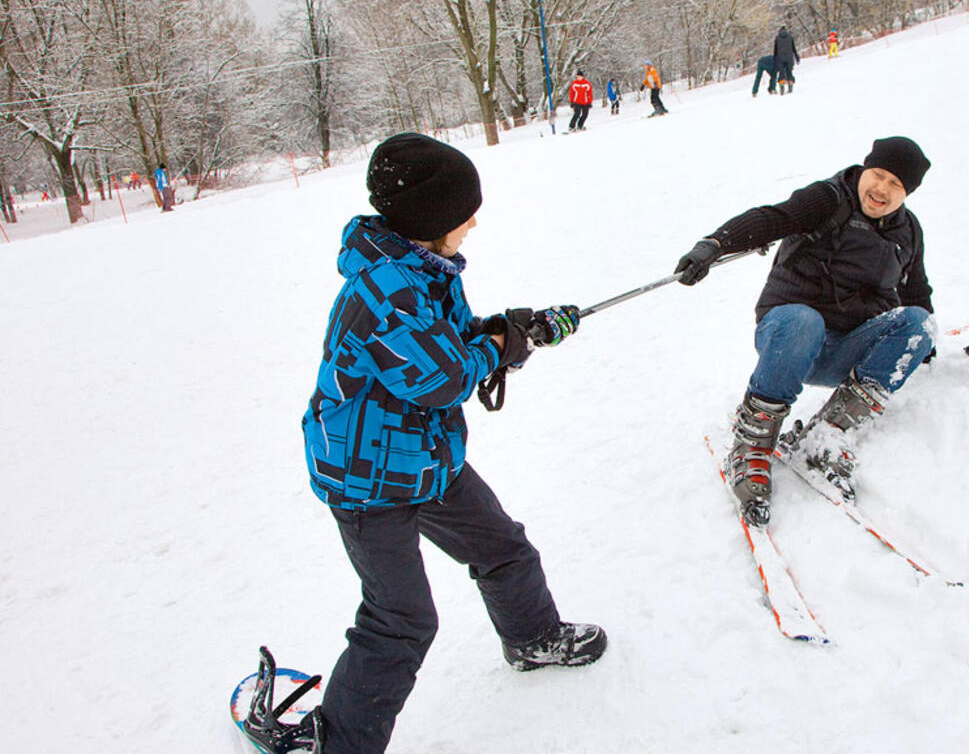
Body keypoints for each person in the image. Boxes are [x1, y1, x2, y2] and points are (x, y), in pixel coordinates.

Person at [300, 133, 607, 754]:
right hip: (367, 482)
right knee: (401, 621)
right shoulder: (384, 293)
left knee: (503, 547)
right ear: (430, 220)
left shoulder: (420, 268)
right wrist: (500, 348)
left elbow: (448, 340)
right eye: (463, 212)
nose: (473, 220)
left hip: (423, 460)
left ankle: (531, 638)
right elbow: (441, 379)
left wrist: (511, 327)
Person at [673, 137, 935, 526]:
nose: (881, 189)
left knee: (918, 324)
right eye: (877, 175)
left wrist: (923, 348)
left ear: (907, 193)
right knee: (804, 321)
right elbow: (771, 218)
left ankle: (829, 434)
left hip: (847, 349)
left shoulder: (907, 231)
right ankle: (752, 443)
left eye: (896, 185)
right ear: (865, 170)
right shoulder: (830, 198)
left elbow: (916, 290)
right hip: (789, 336)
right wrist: (713, 245)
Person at [773, 26, 800, 93]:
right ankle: (790, 86)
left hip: (780, 58)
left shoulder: (777, 38)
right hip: (789, 58)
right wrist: (797, 57)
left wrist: (775, 59)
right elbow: (794, 48)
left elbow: (775, 50)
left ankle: (782, 87)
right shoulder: (790, 37)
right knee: (789, 72)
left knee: (781, 73)